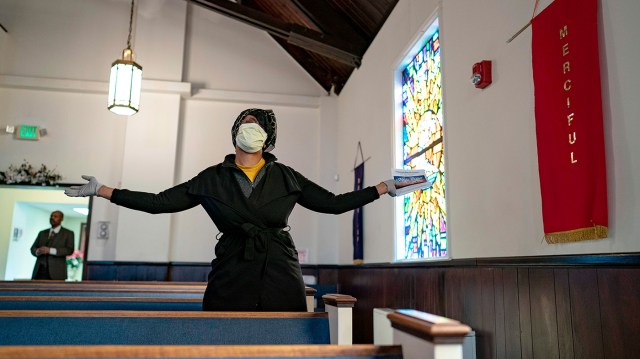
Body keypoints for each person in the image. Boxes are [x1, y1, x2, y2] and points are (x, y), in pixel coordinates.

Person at [65, 108, 400, 311]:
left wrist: (383, 188)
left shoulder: (286, 176)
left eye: (256, 125)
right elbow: (158, 203)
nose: (249, 128)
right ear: (235, 133)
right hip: (231, 269)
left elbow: (334, 203)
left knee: (284, 336)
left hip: (280, 270)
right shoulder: (212, 178)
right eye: (244, 123)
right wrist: (103, 190)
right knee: (223, 332)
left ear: (267, 137)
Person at [30, 210, 75, 280]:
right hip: (40, 271)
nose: (52, 218)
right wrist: (38, 251)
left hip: (57, 272)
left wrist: (50, 250)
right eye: (51, 216)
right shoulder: (42, 233)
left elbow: (69, 250)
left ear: (61, 219)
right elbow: (33, 248)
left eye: (55, 216)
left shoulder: (68, 233)